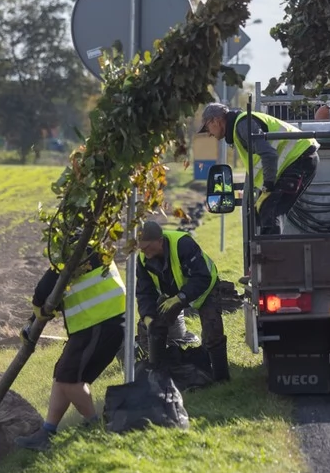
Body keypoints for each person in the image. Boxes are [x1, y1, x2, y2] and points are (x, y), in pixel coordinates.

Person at [14, 258, 126, 451]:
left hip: (99, 322)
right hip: (94, 323)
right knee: (62, 375)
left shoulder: (79, 248)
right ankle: (47, 433)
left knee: (69, 380)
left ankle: (95, 426)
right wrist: (33, 321)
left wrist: (36, 305)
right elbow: (59, 291)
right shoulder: (92, 243)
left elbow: (48, 285)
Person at [198, 102, 319, 235]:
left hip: (300, 159)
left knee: (269, 210)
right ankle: (266, 250)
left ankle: (271, 253)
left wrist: (268, 185)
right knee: (262, 210)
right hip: (297, 160)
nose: (208, 133)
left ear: (216, 120)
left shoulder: (242, 125)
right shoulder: (240, 127)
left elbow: (269, 154)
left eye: (207, 127)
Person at [135, 220, 229, 382]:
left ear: (159, 241)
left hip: (205, 289)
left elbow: (202, 277)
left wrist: (181, 298)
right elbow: (145, 292)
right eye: (141, 248)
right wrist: (148, 316)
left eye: (147, 247)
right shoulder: (143, 259)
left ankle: (221, 378)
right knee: (151, 326)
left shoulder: (183, 244)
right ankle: (158, 374)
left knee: (212, 330)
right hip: (173, 295)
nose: (143, 252)